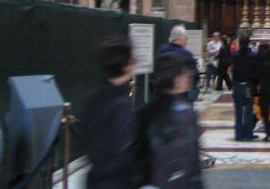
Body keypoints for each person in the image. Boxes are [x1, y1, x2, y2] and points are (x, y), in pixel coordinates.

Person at [137, 52, 202, 188]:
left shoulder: (144, 112)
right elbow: (192, 165)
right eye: (186, 73)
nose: (189, 77)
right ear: (178, 80)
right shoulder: (186, 114)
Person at [81, 36, 139, 189]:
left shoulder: (92, 94)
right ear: (125, 66)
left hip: (94, 179)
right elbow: (124, 153)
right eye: (133, 59)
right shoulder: (121, 104)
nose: (136, 63)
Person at [158, 24, 199, 102]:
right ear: (181, 39)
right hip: (181, 94)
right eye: (186, 39)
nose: (186, 41)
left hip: (163, 92)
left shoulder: (162, 50)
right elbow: (195, 75)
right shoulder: (186, 53)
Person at [231, 36, 258, 141]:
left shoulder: (234, 55)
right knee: (249, 110)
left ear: (239, 43)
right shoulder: (253, 55)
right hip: (249, 86)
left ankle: (238, 135)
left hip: (237, 85)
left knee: (238, 111)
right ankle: (248, 133)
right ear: (248, 43)